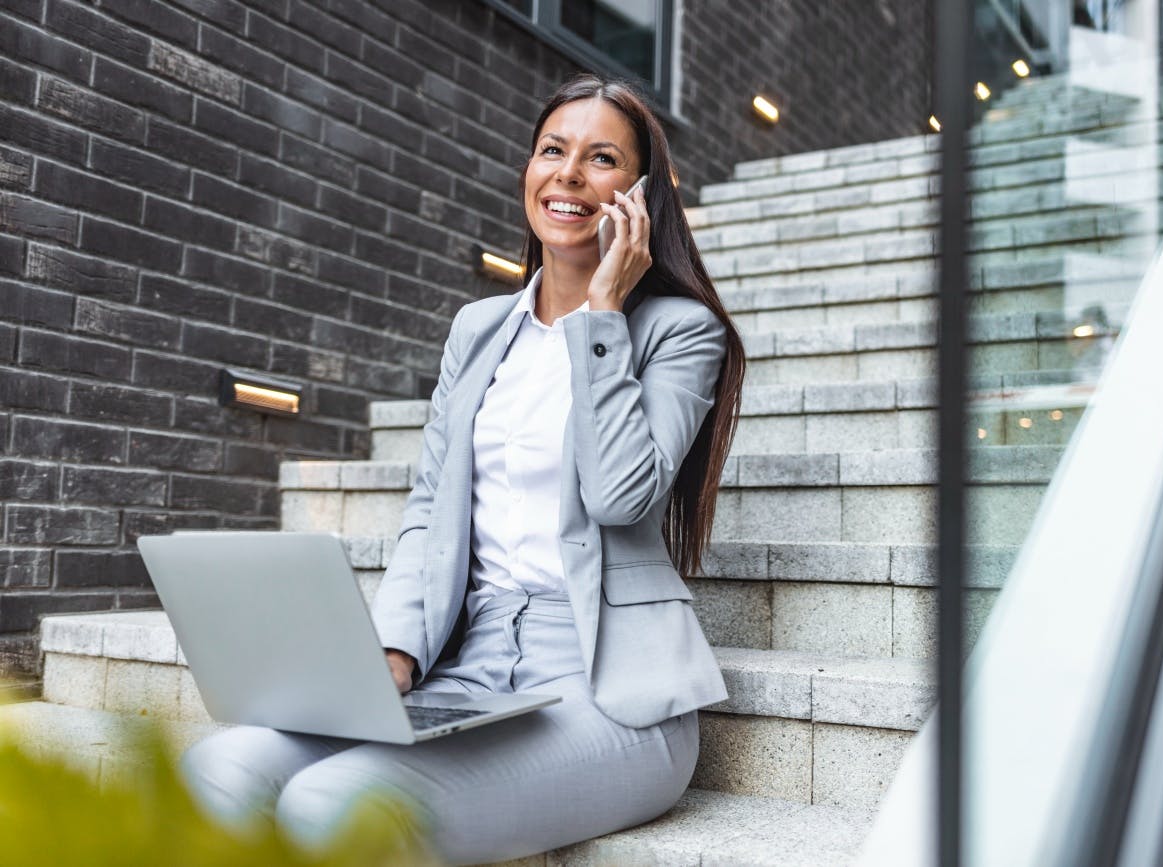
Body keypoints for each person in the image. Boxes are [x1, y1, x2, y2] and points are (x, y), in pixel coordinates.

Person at [179, 73, 747, 865]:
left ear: (642, 196)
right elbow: (428, 509)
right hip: (466, 666)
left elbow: (622, 495)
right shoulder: (478, 329)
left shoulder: (677, 333)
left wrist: (605, 315)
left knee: (335, 805)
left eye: (602, 158)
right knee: (220, 767)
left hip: (607, 692)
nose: (570, 174)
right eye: (553, 149)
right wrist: (395, 652)